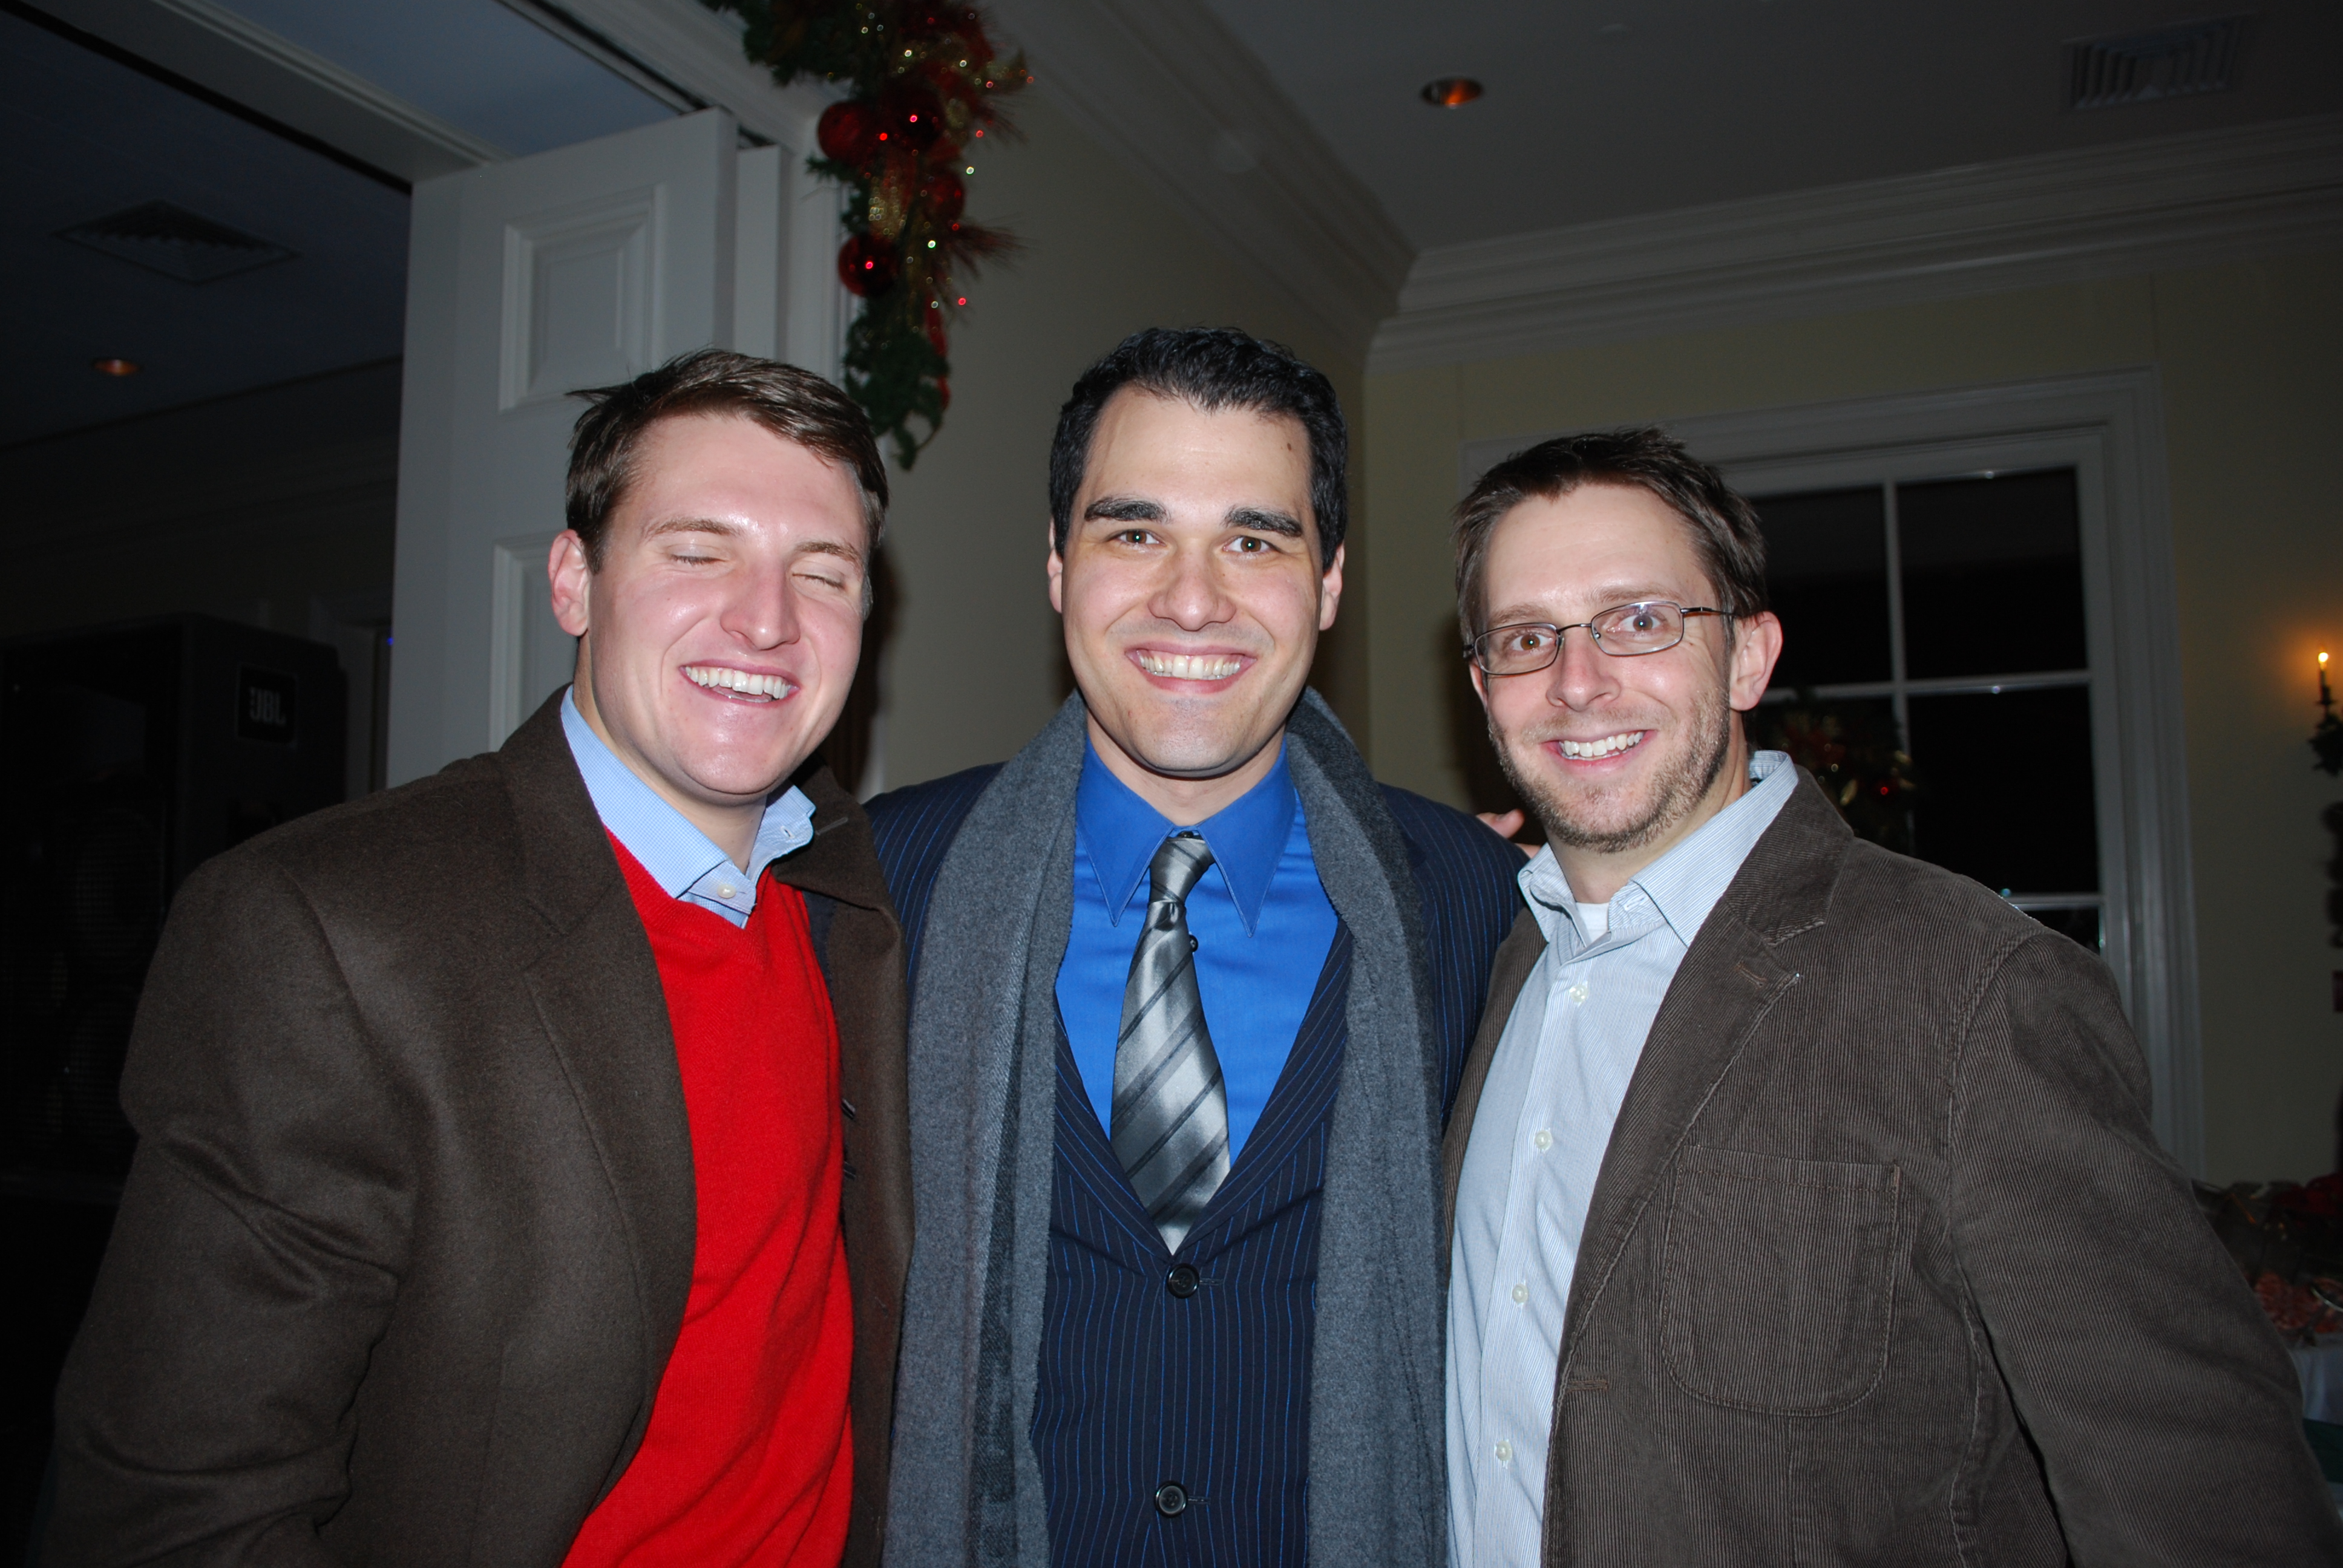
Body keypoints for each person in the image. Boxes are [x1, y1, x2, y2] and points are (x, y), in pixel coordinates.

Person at [45, 350, 913, 1567]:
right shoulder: (328, 930)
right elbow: (176, 1510)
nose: (766, 620)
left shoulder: (856, 897)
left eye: (822, 573)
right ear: (573, 582)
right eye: (696, 551)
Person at [1439, 426, 2343, 1566]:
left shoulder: (1973, 990)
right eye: (1528, 638)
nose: (1578, 681)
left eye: (1640, 620)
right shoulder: (1488, 959)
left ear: (1749, 657)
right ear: (1485, 689)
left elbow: (2202, 1494)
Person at [867, 327, 1524, 1566]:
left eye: (1254, 540)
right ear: (1057, 565)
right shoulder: (884, 884)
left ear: (1328, 584)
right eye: (1134, 532)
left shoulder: (1469, 896)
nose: (1191, 598)